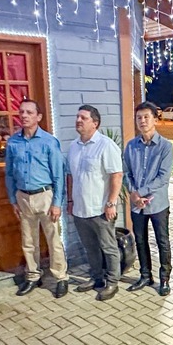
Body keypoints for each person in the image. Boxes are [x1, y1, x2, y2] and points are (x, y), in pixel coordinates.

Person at [4, 99, 68, 299]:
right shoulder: (13, 142)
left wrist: (57, 203)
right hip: (23, 196)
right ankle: (33, 275)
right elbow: (9, 173)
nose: (24, 116)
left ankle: (60, 277)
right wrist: (13, 199)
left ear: (38, 117)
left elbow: (59, 174)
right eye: (21, 112)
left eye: (29, 112)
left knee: (53, 239)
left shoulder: (49, 141)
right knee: (28, 240)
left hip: (45, 195)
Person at [66, 105, 123, 300]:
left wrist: (111, 203)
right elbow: (70, 176)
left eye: (83, 117)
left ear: (95, 123)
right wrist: (71, 200)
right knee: (90, 248)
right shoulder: (74, 146)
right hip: (80, 210)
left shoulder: (106, 145)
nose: (78, 120)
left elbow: (116, 175)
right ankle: (97, 278)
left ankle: (112, 282)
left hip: (100, 210)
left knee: (108, 247)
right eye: (77, 117)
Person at [123, 101, 173, 296]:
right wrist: (134, 193)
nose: (142, 121)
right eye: (139, 117)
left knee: (162, 241)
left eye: (146, 117)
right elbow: (126, 172)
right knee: (141, 240)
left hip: (157, 203)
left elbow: (163, 177)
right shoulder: (131, 146)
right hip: (137, 205)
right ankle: (145, 275)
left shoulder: (165, 147)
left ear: (155, 119)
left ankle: (164, 278)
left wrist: (140, 192)